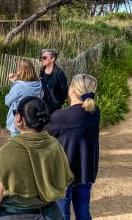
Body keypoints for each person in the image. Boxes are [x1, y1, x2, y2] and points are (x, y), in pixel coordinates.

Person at [0, 96, 73, 220]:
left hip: (14, 215)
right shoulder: (54, 144)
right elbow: (65, 181)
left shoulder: (8, 151)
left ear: (18, 118)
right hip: (51, 213)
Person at [45, 74, 100, 220]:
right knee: (83, 213)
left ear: (73, 91)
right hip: (86, 170)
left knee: (62, 215)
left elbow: (45, 133)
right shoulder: (95, 112)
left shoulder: (62, 116)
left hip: (64, 173)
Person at [5, 58, 42, 137]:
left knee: (17, 146)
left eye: (18, 69)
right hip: (32, 119)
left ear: (21, 71)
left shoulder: (19, 86)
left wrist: (15, 83)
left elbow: (7, 101)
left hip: (19, 121)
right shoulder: (38, 84)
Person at [40, 49, 68, 114]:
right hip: (42, 106)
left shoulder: (59, 73)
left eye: (44, 58)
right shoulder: (42, 70)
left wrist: (57, 103)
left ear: (53, 59)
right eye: (41, 57)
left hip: (54, 108)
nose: (42, 59)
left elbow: (64, 91)